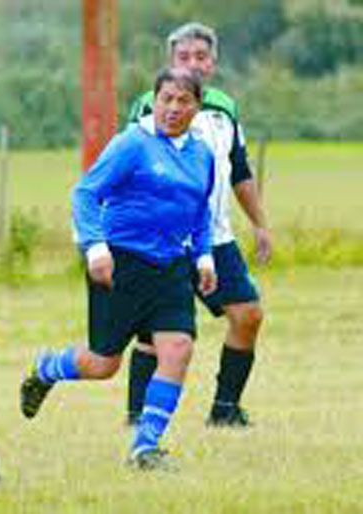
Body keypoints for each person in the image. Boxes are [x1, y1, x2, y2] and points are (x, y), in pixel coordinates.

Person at [20, 68, 216, 470]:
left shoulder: (202, 154)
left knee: (178, 348)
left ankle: (145, 448)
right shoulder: (132, 144)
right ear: (154, 100)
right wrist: (95, 248)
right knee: (103, 364)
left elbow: (200, 212)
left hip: (170, 267)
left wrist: (204, 256)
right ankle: (47, 368)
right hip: (120, 262)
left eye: (184, 101)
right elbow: (86, 193)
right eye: (167, 99)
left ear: (198, 107)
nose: (174, 109)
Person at [125, 22, 271, 427]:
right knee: (155, 330)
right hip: (163, 239)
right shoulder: (149, 107)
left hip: (216, 239)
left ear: (214, 62)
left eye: (201, 57)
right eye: (184, 57)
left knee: (248, 315)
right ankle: (138, 416)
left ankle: (225, 410)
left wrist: (259, 223)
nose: (193, 63)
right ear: (170, 62)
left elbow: (238, 170)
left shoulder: (225, 108)